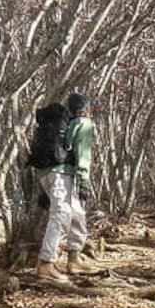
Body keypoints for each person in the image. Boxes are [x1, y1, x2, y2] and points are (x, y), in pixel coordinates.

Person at [36, 92, 95, 282]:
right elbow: (82, 153)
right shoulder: (83, 124)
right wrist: (84, 178)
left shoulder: (57, 124)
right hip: (62, 174)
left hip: (47, 173)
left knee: (77, 213)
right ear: (86, 109)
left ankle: (74, 259)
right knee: (61, 214)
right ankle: (46, 263)